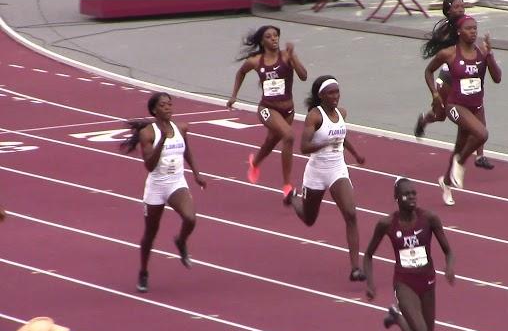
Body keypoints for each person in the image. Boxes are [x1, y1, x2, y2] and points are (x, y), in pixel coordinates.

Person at [121, 92, 207, 293]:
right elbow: (150, 166)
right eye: (163, 105)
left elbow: (187, 151)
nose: (168, 107)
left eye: (170, 104)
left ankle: (181, 241)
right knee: (150, 234)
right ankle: (143, 271)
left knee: (190, 218)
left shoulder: (181, 128)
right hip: (157, 186)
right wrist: (162, 142)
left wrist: (196, 173)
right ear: (154, 110)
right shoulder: (148, 134)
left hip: (176, 183)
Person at [284, 75, 367, 281]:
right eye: (330, 93)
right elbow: (304, 147)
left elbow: (342, 135)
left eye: (337, 92)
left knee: (351, 213)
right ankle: (293, 198)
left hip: (337, 169)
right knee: (309, 219)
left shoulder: (342, 113)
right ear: (321, 95)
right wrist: (324, 143)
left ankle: (355, 268)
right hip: (316, 171)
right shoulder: (314, 116)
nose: (335, 96)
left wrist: (356, 154)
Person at [362, 177, 455, 331]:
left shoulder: (429, 219)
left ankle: (397, 317)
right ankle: (398, 315)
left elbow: (448, 251)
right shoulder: (387, 224)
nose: (412, 197)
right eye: (406, 194)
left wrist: (449, 267)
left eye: (414, 193)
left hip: (428, 281)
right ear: (397, 197)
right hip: (405, 283)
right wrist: (371, 284)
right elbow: (368, 255)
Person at [424, 15, 502, 205]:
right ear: (459, 32)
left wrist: (490, 54)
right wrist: (435, 93)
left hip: (476, 107)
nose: (473, 31)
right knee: (482, 134)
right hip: (455, 106)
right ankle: (460, 163)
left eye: (475, 28)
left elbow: (497, 78)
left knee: (460, 146)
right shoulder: (449, 53)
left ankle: (446, 183)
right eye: (468, 28)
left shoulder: (482, 53)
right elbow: (428, 71)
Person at [227, 25, 308, 200]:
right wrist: (234, 96)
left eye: (276, 35)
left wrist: (293, 56)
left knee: (271, 142)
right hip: (267, 109)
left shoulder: (287, 56)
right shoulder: (255, 61)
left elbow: (304, 76)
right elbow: (240, 73)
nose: (274, 39)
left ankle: (255, 162)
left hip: (288, 110)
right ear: (262, 41)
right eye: (269, 36)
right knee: (289, 136)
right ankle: (287, 186)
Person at [415, 0, 494, 170]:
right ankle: (424, 120)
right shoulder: (447, 31)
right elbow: (441, 57)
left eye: (462, 6)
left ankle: (480, 156)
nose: (460, 9)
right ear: (448, 11)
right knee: (441, 115)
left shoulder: (468, 25)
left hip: (468, 81)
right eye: (456, 7)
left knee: (478, 111)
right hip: (447, 80)